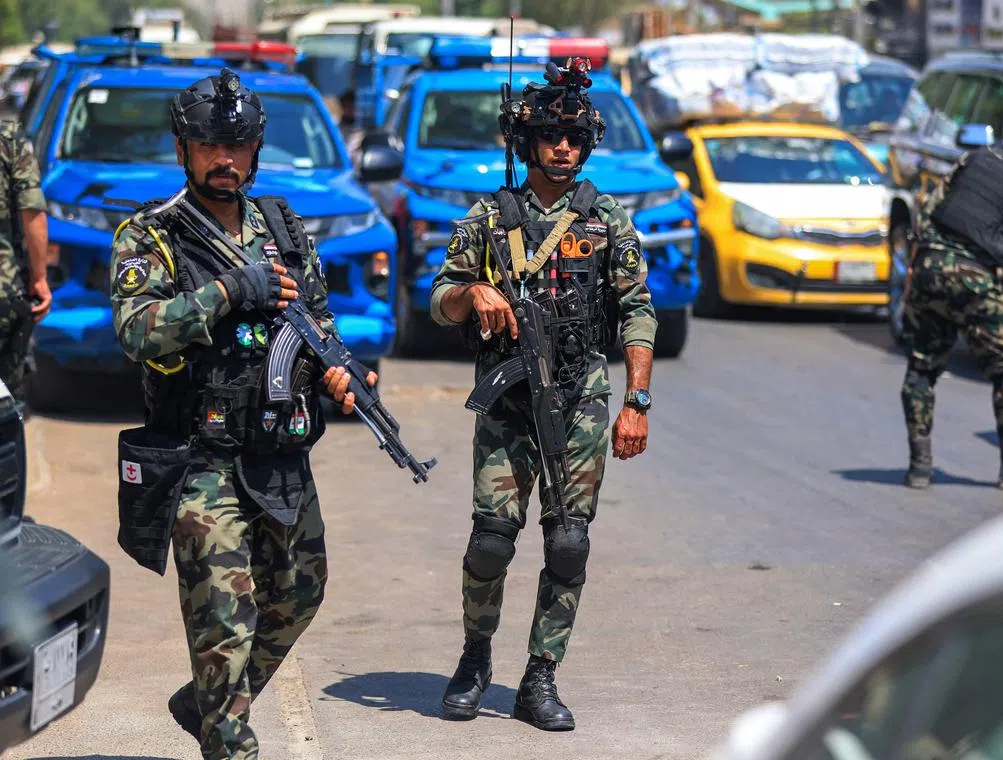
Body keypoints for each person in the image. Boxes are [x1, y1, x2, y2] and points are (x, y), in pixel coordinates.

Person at [109, 68, 376, 760]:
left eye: (237, 147)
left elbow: (316, 322)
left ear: (257, 150)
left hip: (277, 450)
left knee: (301, 592)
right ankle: (228, 732)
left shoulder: (282, 227)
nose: (223, 160)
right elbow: (138, 331)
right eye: (207, 147)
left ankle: (206, 702)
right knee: (224, 629)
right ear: (182, 150)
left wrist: (341, 372)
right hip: (200, 457)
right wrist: (228, 291)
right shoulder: (152, 234)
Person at [429, 56, 657, 731]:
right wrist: (473, 293)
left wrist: (636, 402)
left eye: (575, 139)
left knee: (568, 543)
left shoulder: (606, 219)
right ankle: (474, 659)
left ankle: (540, 677)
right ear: (526, 143)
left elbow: (639, 309)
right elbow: (438, 297)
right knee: (491, 541)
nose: (563, 148)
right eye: (552, 137)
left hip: (581, 398)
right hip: (506, 403)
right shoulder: (489, 217)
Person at [901, 89, 1003, 490]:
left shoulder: (975, 158)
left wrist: (912, 273)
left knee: (923, 366)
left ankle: (919, 465)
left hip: (929, 267)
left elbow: (928, 213)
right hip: (976, 277)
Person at [0, 120, 51, 406]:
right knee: (6, 406)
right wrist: (39, 277)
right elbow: (32, 211)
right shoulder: (8, 139)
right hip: (4, 290)